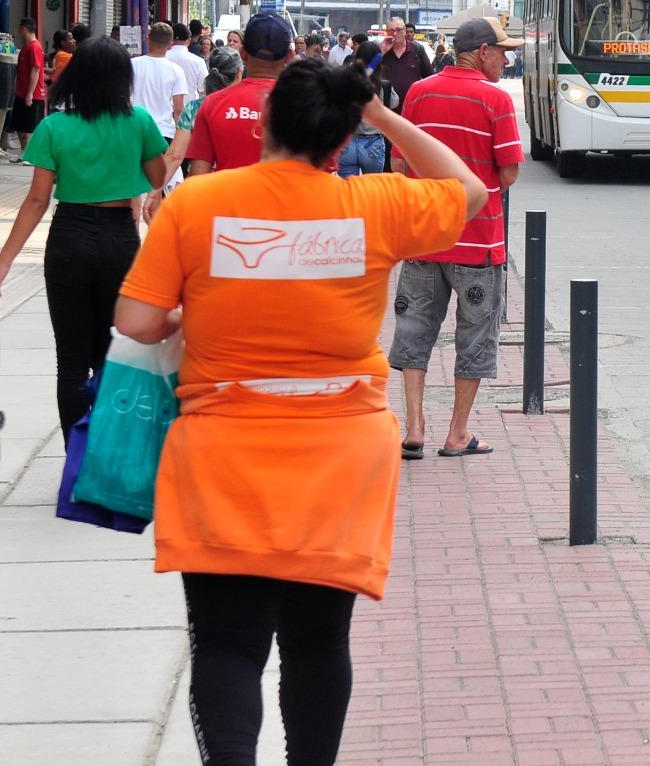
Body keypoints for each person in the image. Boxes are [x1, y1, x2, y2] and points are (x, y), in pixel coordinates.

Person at [113, 59, 486, 766]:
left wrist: (180, 319)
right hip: (341, 457)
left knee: (227, 642)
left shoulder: (198, 204)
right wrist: (377, 112)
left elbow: (135, 318)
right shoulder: (373, 204)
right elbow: (466, 188)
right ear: (341, 141)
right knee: (319, 640)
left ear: (264, 125)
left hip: (223, 450)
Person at [0, 37, 166, 440]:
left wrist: (5, 258)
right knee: (111, 352)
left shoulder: (54, 125)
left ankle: (75, 455)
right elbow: (159, 177)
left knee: (70, 359)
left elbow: (38, 198)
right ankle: (107, 453)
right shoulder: (138, 120)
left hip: (68, 238)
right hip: (119, 241)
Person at [390, 17, 523, 458]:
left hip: (425, 237)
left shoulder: (418, 92)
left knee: (413, 331)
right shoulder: (495, 99)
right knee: (475, 336)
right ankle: (458, 433)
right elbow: (508, 173)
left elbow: (400, 164)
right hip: (478, 242)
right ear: (482, 51)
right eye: (502, 51)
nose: (507, 59)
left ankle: (414, 428)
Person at [188, 12, 295, 174]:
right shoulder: (304, 107)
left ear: (243, 54)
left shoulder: (213, 104)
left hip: (225, 197)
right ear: (289, 56)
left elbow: (197, 177)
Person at [146, 48, 245, 220]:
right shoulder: (244, 109)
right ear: (239, 74)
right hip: (238, 194)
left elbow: (175, 155)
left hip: (201, 193)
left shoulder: (194, 108)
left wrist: (155, 190)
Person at [132, 23, 188, 145]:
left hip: (135, 130)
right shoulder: (176, 70)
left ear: (148, 39)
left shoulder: (132, 65)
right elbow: (178, 109)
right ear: (170, 45)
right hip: (164, 132)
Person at [339, 43, 388, 177]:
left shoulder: (347, 83)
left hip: (348, 141)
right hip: (373, 143)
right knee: (372, 191)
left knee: (347, 192)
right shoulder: (382, 85)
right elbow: (394, 102)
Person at [9, 17, 47, 162]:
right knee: (19, 123)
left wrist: (30, 93)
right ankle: (24, 152)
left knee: (30, 126)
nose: (19, 31)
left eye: (19, 28)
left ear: (24, 28)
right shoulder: (27, 47)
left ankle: (32, 155)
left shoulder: (34, 47)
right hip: (21, 93)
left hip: (33, 94)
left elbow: (36, 70)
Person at [378, 16, 432, 111]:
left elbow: (430, 78)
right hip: (386, 112)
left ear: (404, 31)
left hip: (412, 109)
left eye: (398, 30)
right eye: (391, 30)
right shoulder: (380, 51)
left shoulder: (417, 50)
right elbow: (366, 73)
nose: (395, 34)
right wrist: (381, 52)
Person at [166, 21, 207, 100]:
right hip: (189, 108)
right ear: (188, 40)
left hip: (166, 108)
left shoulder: (163, 58)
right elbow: (203, 90)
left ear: (171, 39)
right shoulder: (198, 62)